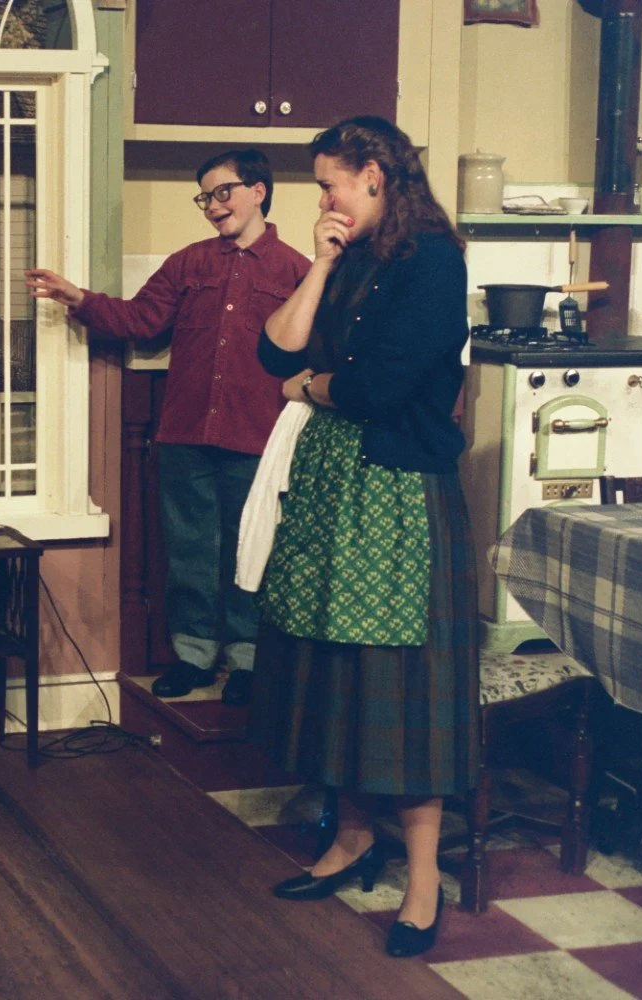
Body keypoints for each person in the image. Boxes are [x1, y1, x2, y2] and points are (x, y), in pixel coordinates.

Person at [250, 116, 477, 958]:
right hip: (334, 491)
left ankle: (421, 882)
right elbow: (274, 355)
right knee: (338, 673)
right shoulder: (352, 262)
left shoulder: (433, 263)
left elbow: (380, 388)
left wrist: (314, 385)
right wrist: (321, 260)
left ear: (376, 174)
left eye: (331, 183)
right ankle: (350, 840)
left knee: (402, 691)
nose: (326, 198)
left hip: (399, 496)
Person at [25, 150, 309, 705]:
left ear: (258, 191)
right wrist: (79, 299)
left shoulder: (297, 270)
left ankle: (249, 661)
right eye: (205, 197)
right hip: (184, 435)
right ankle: (195, 657)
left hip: (259, 439)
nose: (212, 206)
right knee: (190, 550)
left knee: (252, 551)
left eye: (222, 192)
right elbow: (141, 320)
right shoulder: (188, 264)